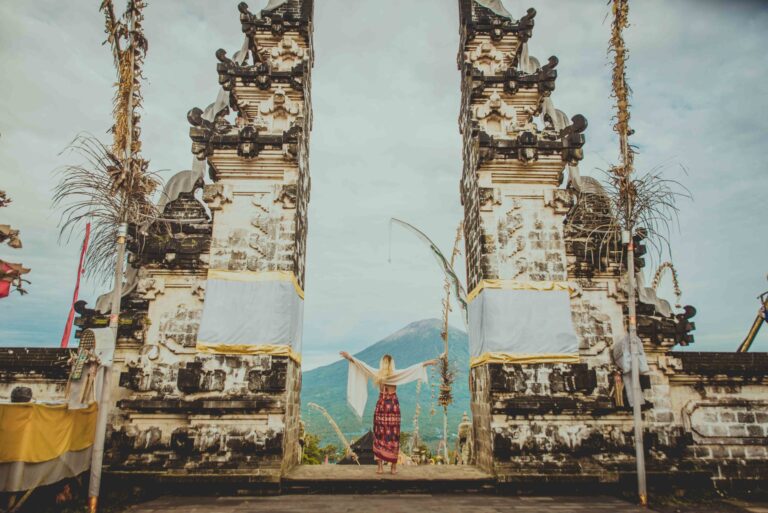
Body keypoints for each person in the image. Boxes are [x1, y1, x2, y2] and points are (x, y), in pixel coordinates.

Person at [340, 351, 437, 475]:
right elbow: (411, 369)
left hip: (381, 406)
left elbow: (362, 365)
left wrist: (349, 357)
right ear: (392, 364)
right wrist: (427, 363)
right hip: (392, 406)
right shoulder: (396, 374)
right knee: (393, 437)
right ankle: (393, 468)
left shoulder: (377, 373)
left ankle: (380, 468)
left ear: (382, 363)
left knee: (379, 436)